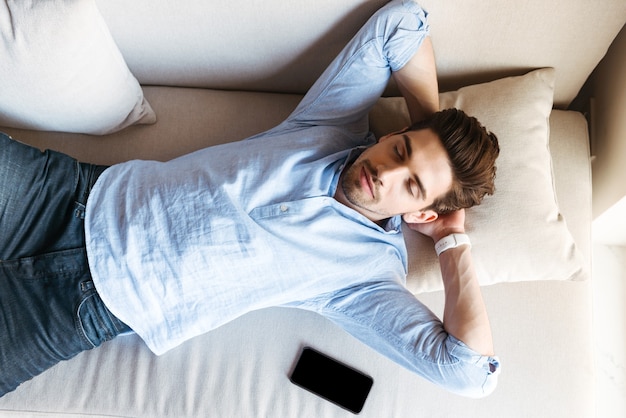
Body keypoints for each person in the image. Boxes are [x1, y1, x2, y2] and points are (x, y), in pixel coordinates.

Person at [0, 0, 500, 398]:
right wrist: (430, 127)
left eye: (411, 185)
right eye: (401, 149)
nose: (385, 171)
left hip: (78, 311)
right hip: (64, 196)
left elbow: (469, 374)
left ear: (422, 210)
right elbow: (402, 22)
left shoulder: (366, 279)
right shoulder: (329, 126)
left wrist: (450, 239)